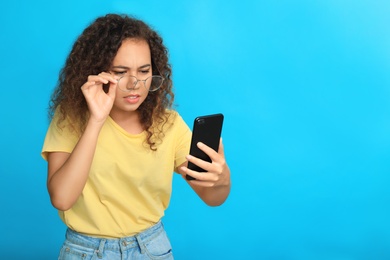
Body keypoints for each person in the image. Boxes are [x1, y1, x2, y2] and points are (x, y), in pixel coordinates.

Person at [41, 13, 231, 259]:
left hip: (151, 249)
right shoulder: (71, 117)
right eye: (120, 71)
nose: (134, 84)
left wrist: (222, 177)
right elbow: (62, 198)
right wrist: (96, 121)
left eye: (143, 71)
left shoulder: (168, 124)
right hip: (85, 250)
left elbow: (213, 198)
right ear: (98, 72)